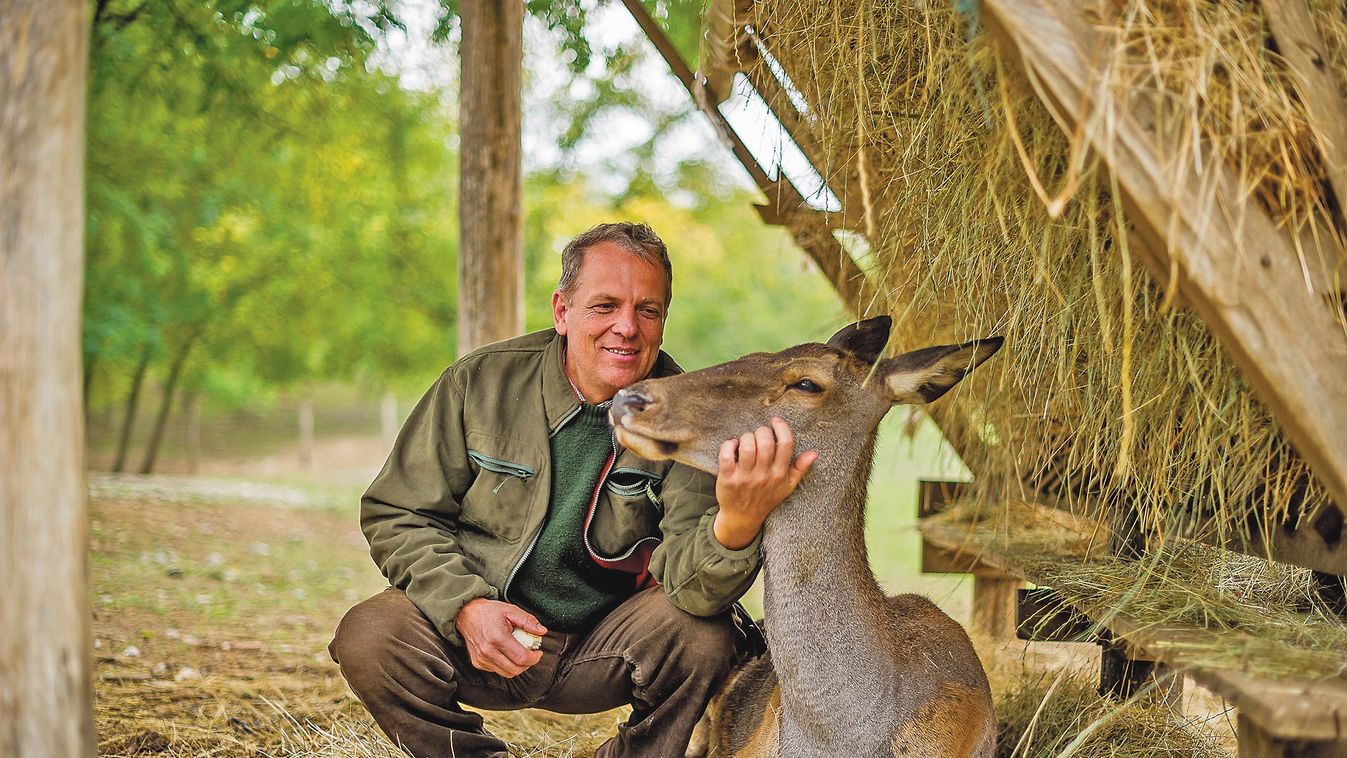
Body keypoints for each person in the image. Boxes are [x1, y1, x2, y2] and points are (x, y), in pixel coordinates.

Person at [328, 222, 816, 758]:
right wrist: (466, 605)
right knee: (370, 636)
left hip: (603, 649)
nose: (626, 328)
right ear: (562, 312)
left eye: (647, 310)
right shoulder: (478, 384)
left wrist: (737, 524)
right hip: (477, 636)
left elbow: (694, 591)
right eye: (604, 306)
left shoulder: (687, 417)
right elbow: (398, 513)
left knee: (706, 637)